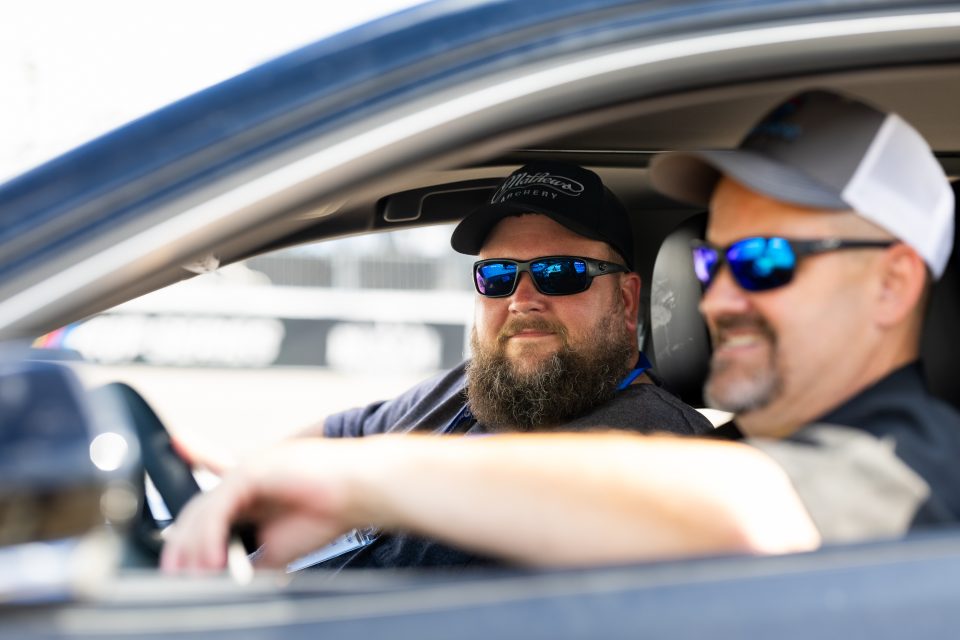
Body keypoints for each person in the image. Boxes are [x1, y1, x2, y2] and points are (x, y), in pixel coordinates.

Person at [161, 90, 960, 573]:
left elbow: (759, 514)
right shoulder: (754, 439)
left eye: (765, 260)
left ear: (892, 284)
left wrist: (358, 483)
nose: (718, 296)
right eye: (715, 258)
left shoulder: (918, 463)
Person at [242, 161, 713, 571]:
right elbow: (340, 435)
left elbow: (551, 499)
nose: (521, 300)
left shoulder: (655, 440)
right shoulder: (480, 382)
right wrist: (234, 489)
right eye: (498, 275)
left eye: (560, 273)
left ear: (626, 300)